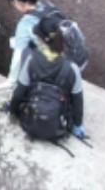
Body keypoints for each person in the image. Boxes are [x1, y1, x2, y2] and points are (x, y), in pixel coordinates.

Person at [8, 13, 86, 141]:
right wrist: (77, 125)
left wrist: (12, 111)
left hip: (32, 117)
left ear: (42, 40)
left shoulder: (31, 60)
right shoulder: (72, 68)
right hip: (58, 121)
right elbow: (78, 101)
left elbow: (19, 93)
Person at [5, 0, 44, 83]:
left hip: (47, 66)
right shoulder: (45, 6)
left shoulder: (25, 23)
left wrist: (11, 81)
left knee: (17, 44)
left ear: (16, 2)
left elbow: (18, 56)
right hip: (73, 58)